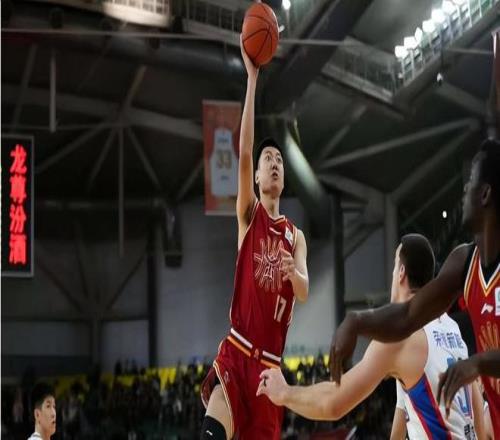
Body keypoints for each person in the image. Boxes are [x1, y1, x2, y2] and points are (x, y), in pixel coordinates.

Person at [329, 139, 500, 438]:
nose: (464, 189)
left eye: (471, 180)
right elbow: (408, 315)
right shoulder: (464, 262)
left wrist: (479, 363)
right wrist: (357, 321)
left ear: (485, 194)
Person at [258, 235, 485, 439]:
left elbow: (332, 403)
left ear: (401, 272)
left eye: (395, 267)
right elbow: (475, 411)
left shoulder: (399, 338)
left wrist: (284, 393)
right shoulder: (451, 327)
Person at [199, 37, 309, 440]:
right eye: (268, 160)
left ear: (284, 176)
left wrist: (293, 274)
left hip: (269, 371)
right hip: (237, 351)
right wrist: (252, 78)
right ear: (258, 176)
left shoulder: (296, 237)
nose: (274, 163)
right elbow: (243, 152)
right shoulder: (249, 215)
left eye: (279, 160)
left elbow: (304, 290)